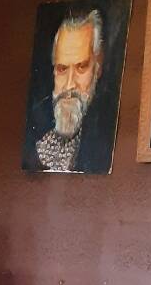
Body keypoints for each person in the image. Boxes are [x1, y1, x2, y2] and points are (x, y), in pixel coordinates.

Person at [25, 9, 112, 173]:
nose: (69, 85)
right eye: (62, 69)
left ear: (98, 66)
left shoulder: (106, 138)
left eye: (81, 67)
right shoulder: (40, 145)